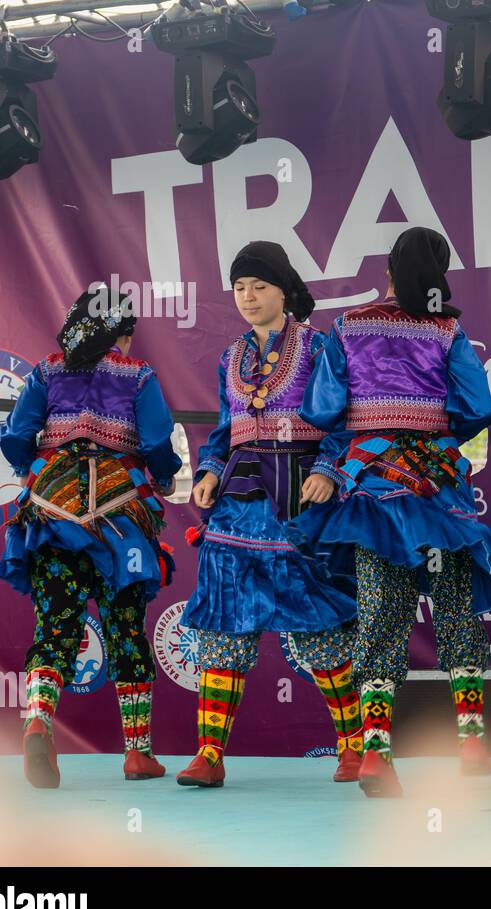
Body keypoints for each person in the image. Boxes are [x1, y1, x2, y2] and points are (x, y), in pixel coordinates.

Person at [295, 226, 491, 798]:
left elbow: (322, 409)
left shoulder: (347, 327)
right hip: (435, 491)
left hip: (373, 494)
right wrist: (432, 426)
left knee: (381, 619)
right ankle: (470, 740)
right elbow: (476, 407)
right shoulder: (448, 329)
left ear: (388, 271)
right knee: (454, 609)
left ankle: (375, 753)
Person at [175, 242, 360, 789]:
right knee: (224, 628)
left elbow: (345, 420)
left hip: (298, 507)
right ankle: (210, 755)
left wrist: (328, 468)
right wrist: (209, 471)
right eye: (239, 288)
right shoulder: (230, 357)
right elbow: (225, 428)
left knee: (321, 632)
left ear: (284, 289)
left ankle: (352, 751)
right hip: (236, 510)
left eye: (258, 285)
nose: (248, 297)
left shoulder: (320, 347)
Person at [0, 285, 181, 788]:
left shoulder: (47, 370)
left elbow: (16, 437)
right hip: (119, 523)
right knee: (125, 631)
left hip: (51, 517)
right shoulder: (138, 375)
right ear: (123, 332)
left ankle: (38, 716)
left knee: (55, 631)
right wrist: (162, 477)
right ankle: (138, 753)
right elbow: (158, 443)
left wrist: (32, 470)